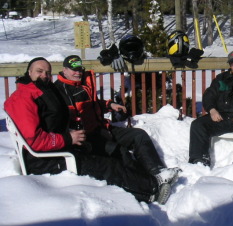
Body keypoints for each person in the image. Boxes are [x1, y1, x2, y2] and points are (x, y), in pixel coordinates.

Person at [4, 57, 171, 204]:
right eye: (39, 71)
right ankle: (152, 191)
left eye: (47, 72)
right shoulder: (25, 97)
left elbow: (76, 111)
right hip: (46, 159)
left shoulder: (42, 91)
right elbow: (35, 140)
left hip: (64, 145)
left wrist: (106, 106)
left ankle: (151, 179)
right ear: (29, 72)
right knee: (108, 165)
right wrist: (69, 138)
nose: (44, 75)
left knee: (120, 151)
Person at [54, 55, 180, 186]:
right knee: (120, 152)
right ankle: (147, 184)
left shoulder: (83, 84)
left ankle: (158, 172)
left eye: (80, 69)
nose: (78, 72)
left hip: (102, 128)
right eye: (73, 69)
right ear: (64, 70)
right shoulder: (59, 91)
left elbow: (93, 104)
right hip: (87, 137)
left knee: (138, 135)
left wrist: (109, 105)